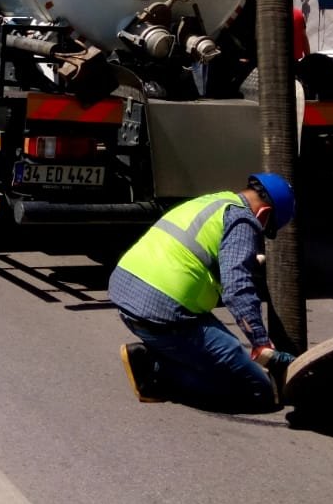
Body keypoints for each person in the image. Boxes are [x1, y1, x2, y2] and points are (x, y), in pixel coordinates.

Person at [110, 172, 297, 411]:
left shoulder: (215, 201)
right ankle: (155, 370)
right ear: (265, 214)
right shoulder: (244, 221)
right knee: (257, 388)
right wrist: (261, 343)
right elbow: (237, 289)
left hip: (127, 294)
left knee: (225, 349)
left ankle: (165, 356)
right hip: (163, 313)